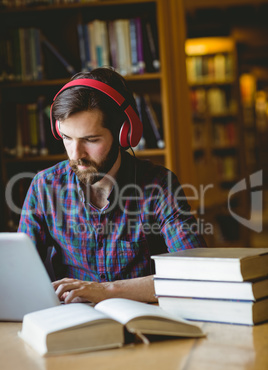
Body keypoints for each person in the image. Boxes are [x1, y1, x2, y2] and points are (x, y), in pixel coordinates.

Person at [18, 67, 206, 305]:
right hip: (70, 322)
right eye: (67, 138)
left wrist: (106, 291)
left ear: (123, 134)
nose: (76, 155)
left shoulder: (160, 186)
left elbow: (197, 275)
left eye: (91, 140)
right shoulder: (44, 186)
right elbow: (19, 275)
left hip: (143, 321)